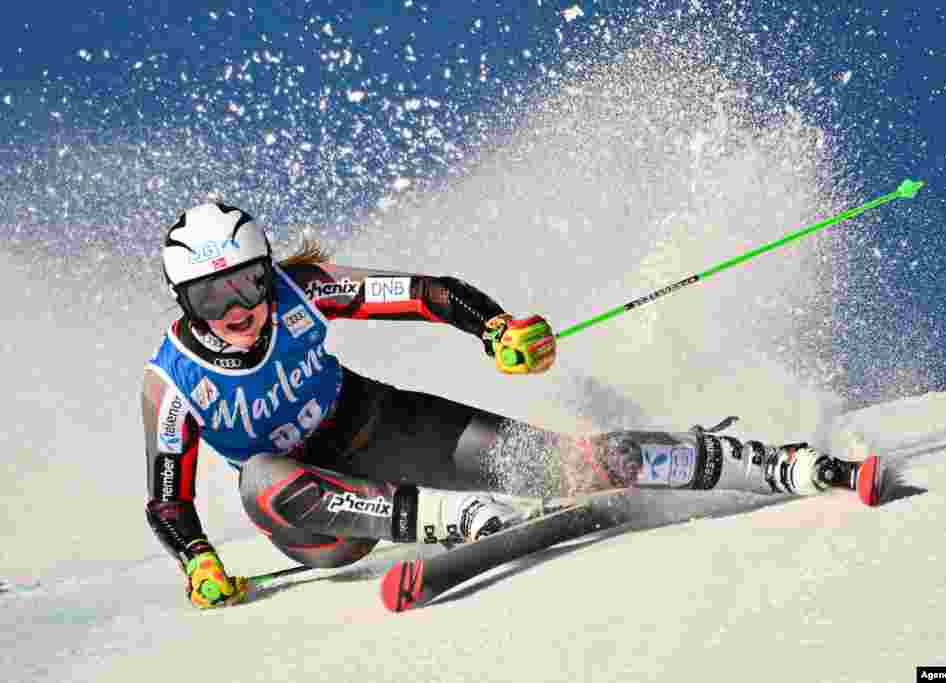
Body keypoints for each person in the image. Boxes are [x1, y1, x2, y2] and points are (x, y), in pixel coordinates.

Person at [144, 202, 865, 609]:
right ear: (186, 302)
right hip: (317, 519)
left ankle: (773, 465)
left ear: (269, 273)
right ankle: (453, 517)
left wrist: (496, 329)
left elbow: (424, 292)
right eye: (212, 297)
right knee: (258, 477)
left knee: (570, 464)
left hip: (381, 428)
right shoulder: (173, 381)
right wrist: (199, 560)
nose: (238, 309)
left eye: (248, 284)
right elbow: (168, 501)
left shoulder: (307, 290)